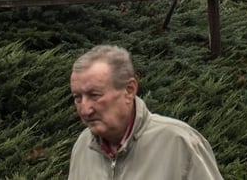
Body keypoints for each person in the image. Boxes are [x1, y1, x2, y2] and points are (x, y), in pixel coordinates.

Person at [68, 45, 223, 179]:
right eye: (77, 97)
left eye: (94, 95)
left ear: (129, 90)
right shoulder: (83, 146)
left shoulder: (179, 142)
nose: (85, 109)